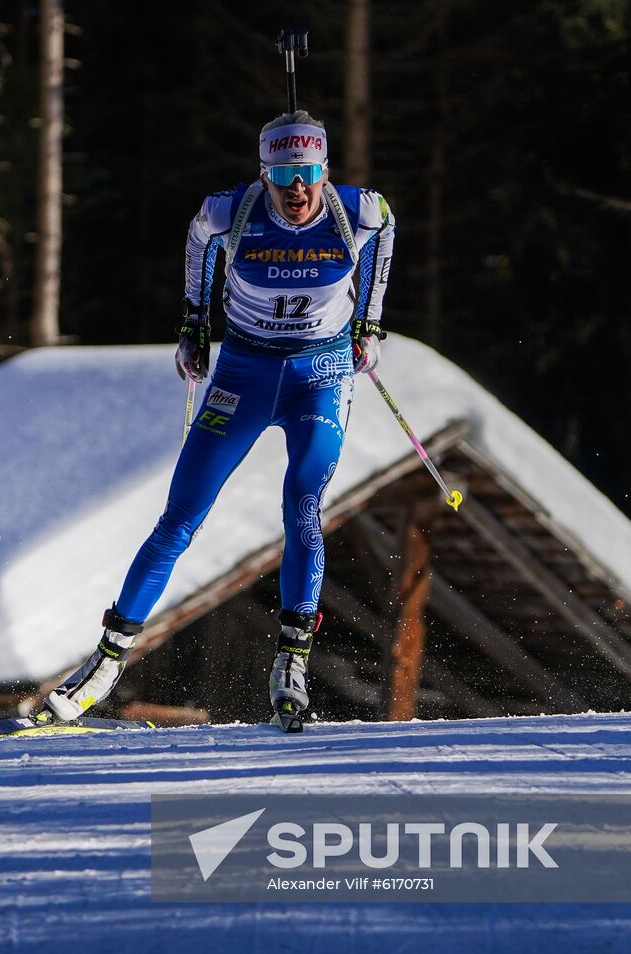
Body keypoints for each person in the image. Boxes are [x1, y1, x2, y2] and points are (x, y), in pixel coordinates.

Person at [43, 110, 395, 729]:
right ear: (263, 174)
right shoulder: (231, 212)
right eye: (281, 175)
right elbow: (197, 243)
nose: (295, 189)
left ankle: (292, 661)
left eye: (306, 174)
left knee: (303, 503)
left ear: (323, 170)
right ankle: (107, 661)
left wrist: (369, 320)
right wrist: (193, 324)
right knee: (180, 517)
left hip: (319, 375)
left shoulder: (356, 211)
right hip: (243, 374)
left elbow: (386, 230)